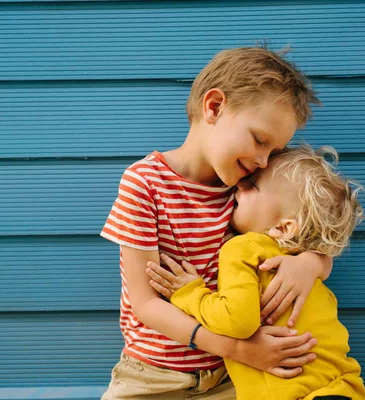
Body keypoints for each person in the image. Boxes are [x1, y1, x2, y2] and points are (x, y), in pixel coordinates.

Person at [100, 46, 330, 399]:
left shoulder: (250, 193)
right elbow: (146, 305)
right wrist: (239, 349)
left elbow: (304, 235)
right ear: (215, 107)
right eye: (259, 140)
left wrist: (311, 263)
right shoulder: (144, 183)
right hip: (153, 377)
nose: (263, 161)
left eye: (272, 152)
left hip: (232, 377)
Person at [147, 145, 365, 400]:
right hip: (342, 383)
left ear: (284, 227)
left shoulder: (243, 248)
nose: (239, 185)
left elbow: (237, 322)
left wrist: (189, 293)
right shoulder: (310, 269)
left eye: (253, 185)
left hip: (288, 392)